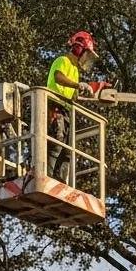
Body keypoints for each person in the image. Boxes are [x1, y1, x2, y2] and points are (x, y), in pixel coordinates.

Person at [45, 31, 98, 182]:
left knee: (68, 149)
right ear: (78, 49)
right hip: (54, 106)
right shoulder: (63, 61)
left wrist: (90, 92)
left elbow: (74, 97)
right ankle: (48, 175)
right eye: (86, 54)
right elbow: (58, 77)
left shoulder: (75, 71)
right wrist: (77, 85)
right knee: (57, 141)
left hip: (66, 109)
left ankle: (60, 179)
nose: (86, 59)